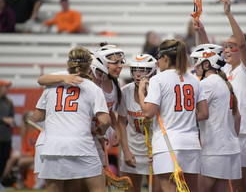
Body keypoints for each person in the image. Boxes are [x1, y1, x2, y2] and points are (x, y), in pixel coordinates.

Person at [194, 0, 246, 192]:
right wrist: (202, 31)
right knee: (239, 183)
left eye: (230, 46)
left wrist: (229, 14)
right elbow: (210, 56)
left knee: (237, 184)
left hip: (243, 131)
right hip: (230, 131)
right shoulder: (226, 72)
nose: (226, 50)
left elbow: (241, 44)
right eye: (224, 47)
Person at [28, 46, 111, 192]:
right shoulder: (92, 87)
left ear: (69, 62)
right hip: (81, 145)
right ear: (88, 65)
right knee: (98, 189)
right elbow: (105, 121)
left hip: (53, 145)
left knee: (54, 189)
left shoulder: (52, 85)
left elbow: (37, 116)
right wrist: (99, 131)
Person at [138, 39, 209, 192]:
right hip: (191, 144)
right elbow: (204, 113)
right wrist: (184, 116)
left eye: (159, 58)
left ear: (165, 58)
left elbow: (148, 113)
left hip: (167, 144)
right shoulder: (194, 80)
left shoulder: (158, 79)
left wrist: (141, 92)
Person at [189, 44, 242, 192]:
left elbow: (191, 111)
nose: (195, 67)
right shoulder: (224, 83)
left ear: (207, 64)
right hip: (230, 147)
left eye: (197, 63)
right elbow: (238, 116)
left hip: (214, 149)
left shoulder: (207, 84)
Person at [118, 54, 162, 192]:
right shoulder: (125, 91)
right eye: (136, 70)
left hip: (156, 148)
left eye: (143, 70)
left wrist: (160, 150)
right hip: (133, 146)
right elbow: (121, 122)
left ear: (153, 72)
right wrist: (125, 150)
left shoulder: (161, 89)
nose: (138, 74)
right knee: (130, 189)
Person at [1, 110, 40, 189]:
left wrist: (27, 154)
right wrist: (24, 153)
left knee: (21, 162)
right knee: (13, 158)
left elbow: (38, 149)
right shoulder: (26, 132)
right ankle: (3, 178)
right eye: (31, 118)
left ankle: (20, 179)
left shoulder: (37, 132)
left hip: (36, 156)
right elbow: (24, 147)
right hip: (29, 155)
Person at [0, 79, 14, 184]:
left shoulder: (9, 102)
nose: (7, 89)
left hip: (6, 136)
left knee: (5, 158)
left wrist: (10, 120)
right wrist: (3, 119)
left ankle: (2, 180)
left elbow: (12, 116)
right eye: (5, 86)